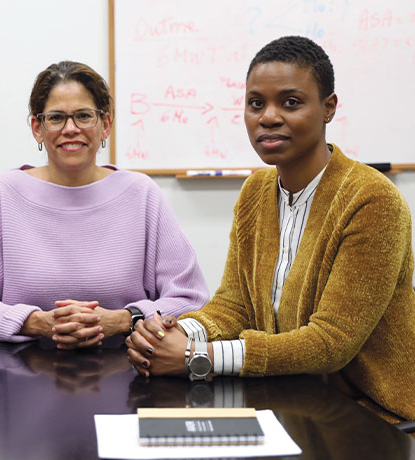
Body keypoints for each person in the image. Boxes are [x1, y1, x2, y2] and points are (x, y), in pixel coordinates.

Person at [126, 36, 415, 422]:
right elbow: (234, 306)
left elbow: (330, 343)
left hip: (371, 415)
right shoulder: (255, 192)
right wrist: (168, 334)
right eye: (256, 103)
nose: (268, 117)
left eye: (291, 102)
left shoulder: (373, 200)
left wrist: (198, 357)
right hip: (290, 401)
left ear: (328, 108)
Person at [0, 61, 208, 349]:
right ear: (37, 128)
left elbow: (191, 298)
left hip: (131, 377)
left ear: (105, 125)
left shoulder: (142, 194)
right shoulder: (4, 194)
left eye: (84, 116)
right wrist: (35, 322)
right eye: (56, 118)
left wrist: (124, 319)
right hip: (21, 377)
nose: (70, 129)